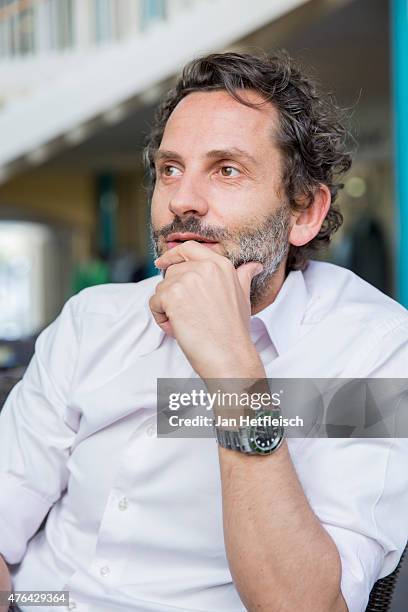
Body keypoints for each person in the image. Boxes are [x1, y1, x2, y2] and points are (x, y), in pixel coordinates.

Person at [0, 51, 407, 612]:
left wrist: (232, 366)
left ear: (304, 213)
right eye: (170, 169)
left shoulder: (371, 348)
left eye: (227, 169)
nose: (181, 201)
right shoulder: (91, 321)